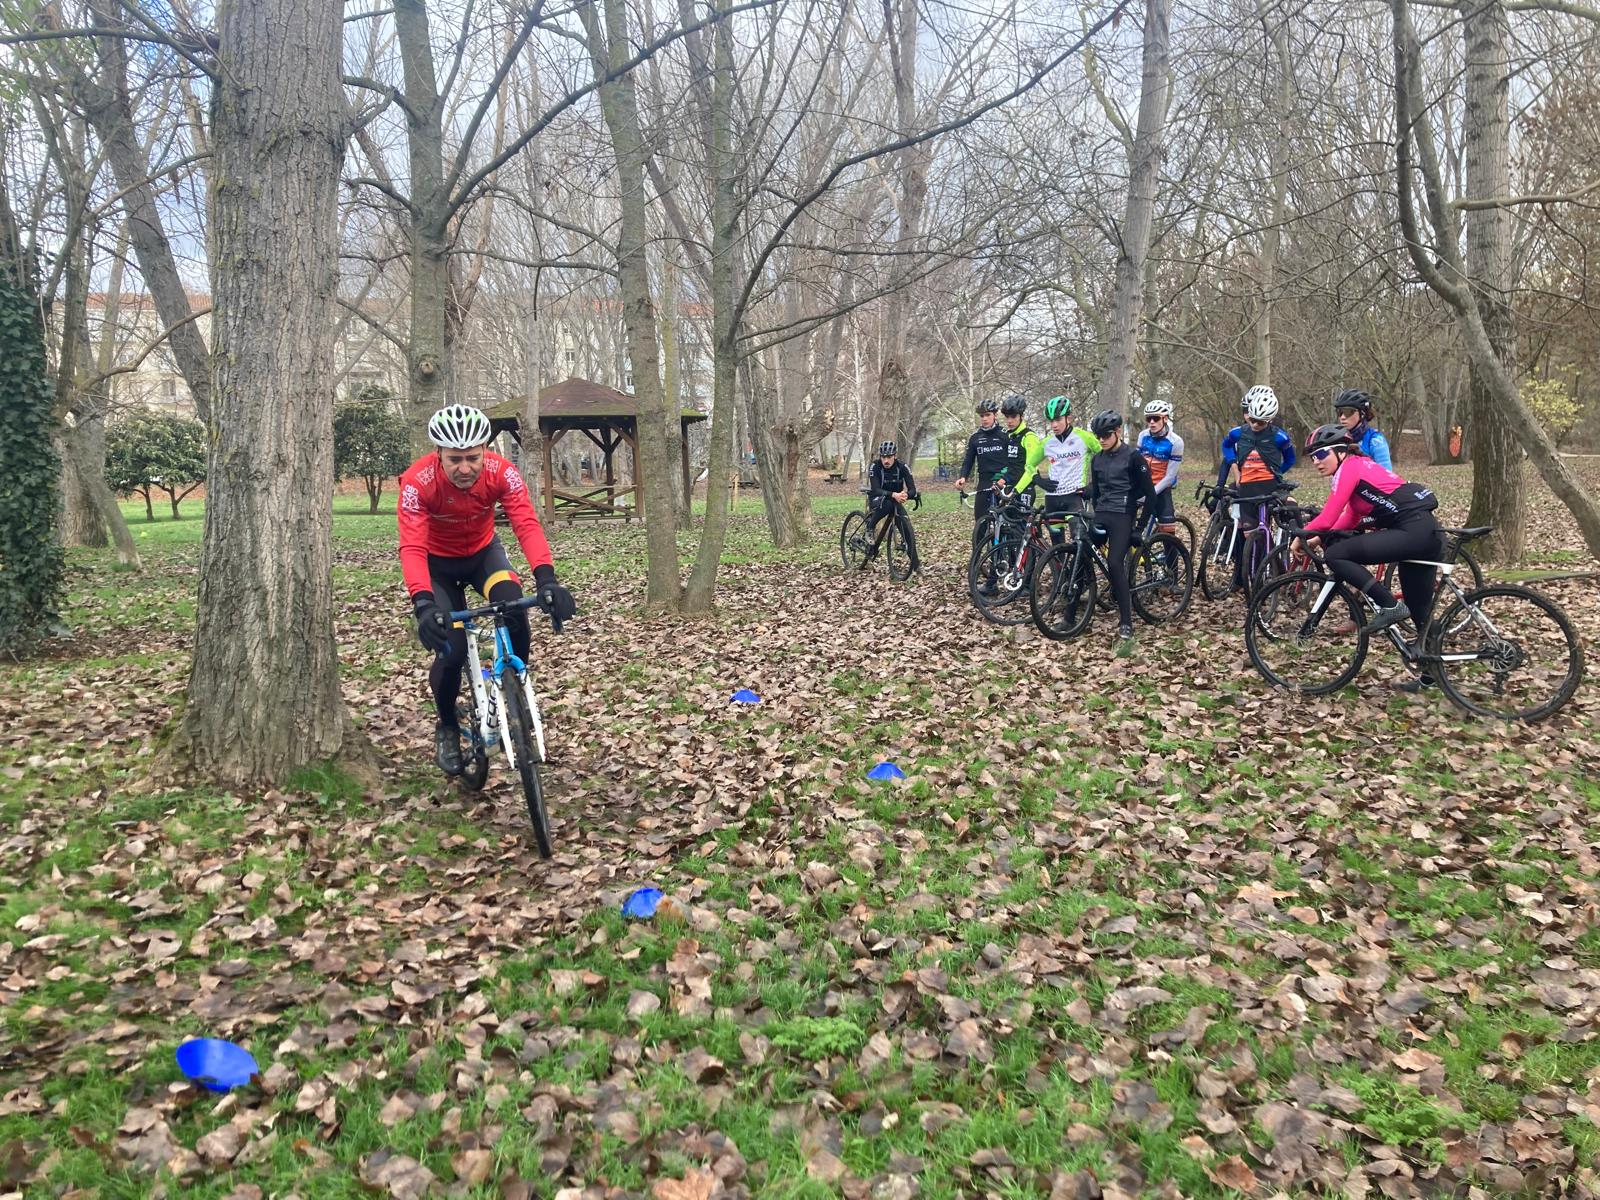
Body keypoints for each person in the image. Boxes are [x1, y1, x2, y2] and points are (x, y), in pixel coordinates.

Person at [398, 404, 577, 774]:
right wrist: (423, 604)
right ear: (439, 456)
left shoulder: (502, 473)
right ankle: (447, 725)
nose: (465, 468)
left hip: (483, 556)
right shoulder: (417, 483)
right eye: (455, 460)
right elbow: (412, 546)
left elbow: (526, 523)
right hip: (437, 566)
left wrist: (546, 579)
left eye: (473, 458)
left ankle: (516, 686)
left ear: (485, 451)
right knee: (452, 650)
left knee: (513, 607)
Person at [1295, 424, 1444, 692]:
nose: (1316, 461)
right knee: (1420, 608)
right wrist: (1316, 537)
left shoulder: (1350, 468)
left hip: (1412, 531)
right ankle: (1432, 677)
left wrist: (1301, 535)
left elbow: (1328, 516)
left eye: (1321, 454)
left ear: (1341, 452)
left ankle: (1388, 605)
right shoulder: (1361, 468)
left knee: (1336, 554)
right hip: (1426, 532)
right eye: (1312, 457)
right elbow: (1350, 517)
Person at [1087, 408, 1158, 653]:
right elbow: (1095, 493)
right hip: (1103, 513)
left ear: (1118, 432)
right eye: (1098, 436)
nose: (1102, 440)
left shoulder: (1133, 457)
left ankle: (1126, 621)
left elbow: (1150, 495)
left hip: (1124, 515)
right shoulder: (1096, 459)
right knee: (1081, 553)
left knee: (1115, 563)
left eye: (1106, 435)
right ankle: (1073, 609)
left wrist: (1139, 527)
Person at [1218, 385, 1297, 586]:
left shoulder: (1280, 436)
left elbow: (1290, 457)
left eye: (1260, 422)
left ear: (1269, 420)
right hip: (1246, 488)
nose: (1254, 424)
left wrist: (1277, 472)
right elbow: (1226, 445)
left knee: (1288, 509)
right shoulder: (1237, 433)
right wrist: (1234, 464)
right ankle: (1250, 576)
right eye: (1252, 419)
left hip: (1269, 487)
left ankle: (1296, 553)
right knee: (1250, 534)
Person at [1035, 395, 1100, 545]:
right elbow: (1028, 465)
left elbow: (1106, 456)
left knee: (1080, 542)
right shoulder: (1047, 443)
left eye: (1058, 420)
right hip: (1052, 498)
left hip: (1074, 497)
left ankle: (1084, 569)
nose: (1054, 425)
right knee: (1057, 549)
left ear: (1068, 418)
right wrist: (1037, 479)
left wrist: (1094, 484)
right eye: (1051, 421)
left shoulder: (1084, 437)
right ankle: (1060, 569)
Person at [956, 397, 1011, 543]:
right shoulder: (975, 438)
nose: (985, 419)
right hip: (985, 482)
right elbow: (968, 460)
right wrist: (963, 477)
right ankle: (977, 560)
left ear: (995, 415)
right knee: (980, 523)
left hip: (1004, 481)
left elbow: (1014, 460)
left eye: (988, 415)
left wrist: (1006, 478)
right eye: (982, 416)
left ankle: (1012, 557)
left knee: (1010, 522)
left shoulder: (1005, 435)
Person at [862, 440, 921, 574]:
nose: (886, 460)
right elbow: (876, 489)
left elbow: (912, 489)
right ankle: (870, 527)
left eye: (889, 457)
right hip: (878, 497)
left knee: (907, 530)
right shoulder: (875, 467)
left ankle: (917, 566)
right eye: (883, 457)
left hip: (895, 499)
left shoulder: (903, 467)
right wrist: (893, 494)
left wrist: (906, 494)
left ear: (894, 456)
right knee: (887, 504)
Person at [1137, 398, 1184, 535]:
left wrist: (1151, 492)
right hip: (1143, 483)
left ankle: (1172, 556)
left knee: (1167, 530)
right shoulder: (1143, 436)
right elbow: (1136, 462)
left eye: (1156, 418)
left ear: (1165, 419)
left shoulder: (1176, 442)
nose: (1151, 422)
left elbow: (1170, 477)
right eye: (1148, 418)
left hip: (1162, 485)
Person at [1333, 388, 1393, 471]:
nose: (1342, 417)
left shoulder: (1375, 440)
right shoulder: (1338, 440)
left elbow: (1387, 477)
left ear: (1362, 414)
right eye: (1339, 412)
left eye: (1348, 412)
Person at [1000, 393, 1046, 496]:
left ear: (1022, 416)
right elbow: (1012, 466)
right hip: (1010, 487)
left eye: (1013, 416)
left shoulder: (1029, 437)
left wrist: (1016, 491)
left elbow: (1031, 469)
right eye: (1007, 417)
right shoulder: (1010, 436)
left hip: (1025, 489)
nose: (1009, 420)